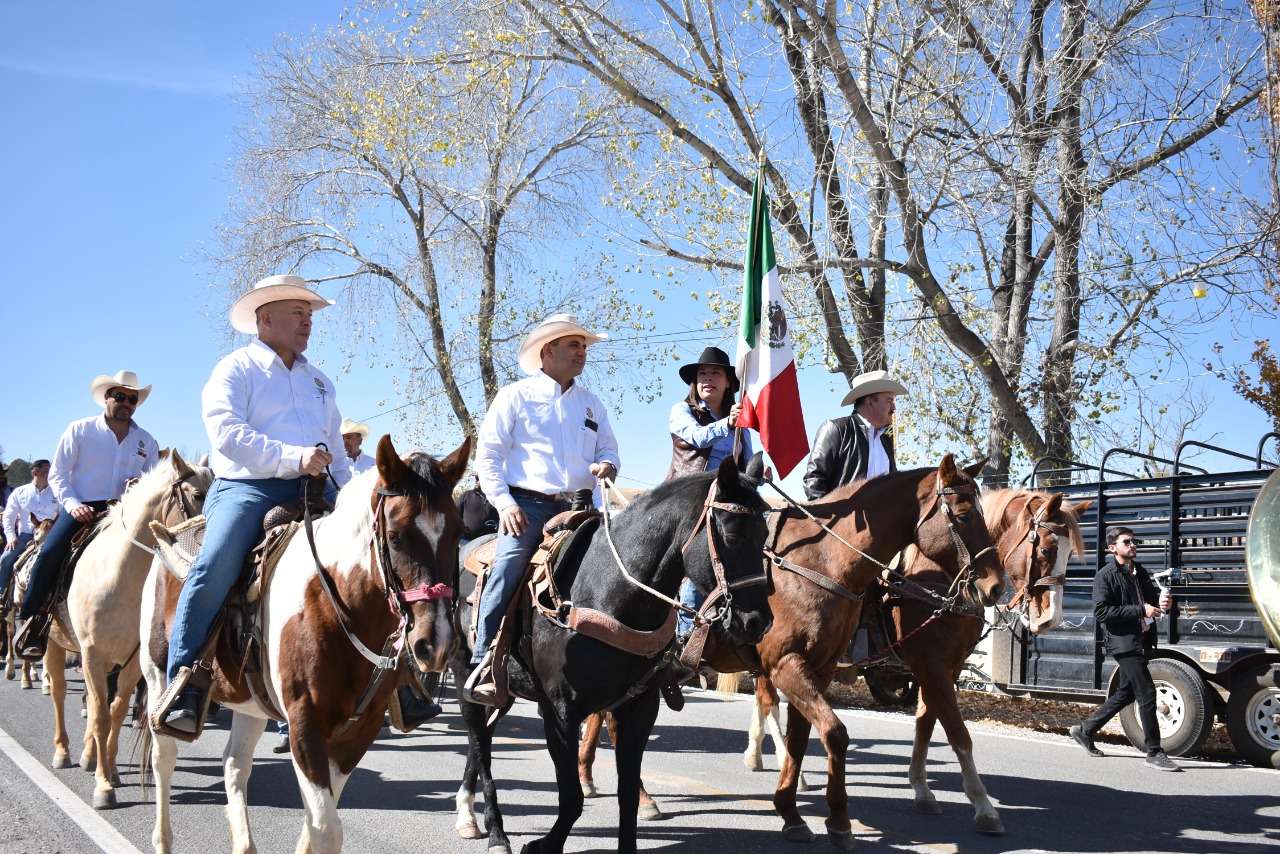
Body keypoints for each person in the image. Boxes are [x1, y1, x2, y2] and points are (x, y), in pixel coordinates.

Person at [158, 274, 352, 733]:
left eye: (309, 315)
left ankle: (397, 679)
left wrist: (351, 495)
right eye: (298, 313)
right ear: (265, 319)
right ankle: (184, 680)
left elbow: (337, 453)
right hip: (248, 487)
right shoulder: (235, 369)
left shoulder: (320, 382)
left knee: (375, 552)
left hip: (315, 488)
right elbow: (228, 434)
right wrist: (292, 457)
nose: (307, 322)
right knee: (215, 564)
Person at [465, 314, 620, 705]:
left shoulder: (591, 404)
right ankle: (484, 660)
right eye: (574, 345)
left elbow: (609, 449)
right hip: (528, 507)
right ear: (548, 351)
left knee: (621, 565)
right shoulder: (515, 396)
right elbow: (488, 456)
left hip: (583, 507)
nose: (582, 352)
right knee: (508, 566)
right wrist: (504, 504)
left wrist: (607, 464)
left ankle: (635, 661)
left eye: (584, 346)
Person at [15, 371, 160, 657]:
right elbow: (58, 474)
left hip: (124, 512)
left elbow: (153, 481)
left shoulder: (146, 441)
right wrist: (73, 505)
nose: (126, 403)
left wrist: (140, 484)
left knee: (163, 559)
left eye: (132, 399)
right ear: (106, 398)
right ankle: (33, 623)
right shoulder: (79, 430)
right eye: (120, 396)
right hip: (83, 508)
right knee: (49, 553)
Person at [1069, 526, 1181, 771]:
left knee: (1127, 693)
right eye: (1127, 542)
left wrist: (1164, 603)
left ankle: (1085, 730)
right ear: (1112, 548)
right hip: (1124, 643)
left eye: (1134, 541)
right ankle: (1154, 752)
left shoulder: (1140, 572)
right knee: (1147, 693)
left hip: (1142, 640)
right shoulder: (1105, 575)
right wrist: (1141, 610)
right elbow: (1101, 612)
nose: (1133, 545)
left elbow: (1151, 603)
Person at [666, 346, 752, 638]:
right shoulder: (681, 411)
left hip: (724, 506)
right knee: (700, 560)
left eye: (715, 373)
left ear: (728, 383)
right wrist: (727, 423)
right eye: (702, 373)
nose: (707, 379)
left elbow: (744, 465)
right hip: (688, 503)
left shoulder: (740, 425)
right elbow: (697, 437)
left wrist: (758, 474)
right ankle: (687, 636)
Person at [802, 370, 906, 500]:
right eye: (889, 401)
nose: (894, 408)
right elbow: (814, 480)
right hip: (841, 514)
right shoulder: (836, 429)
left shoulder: (886, 440)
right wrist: (828, 513)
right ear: (870, 402)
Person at [0, 459, 57, 599]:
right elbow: (8, 516)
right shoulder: (20, 492)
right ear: (35, 472)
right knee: (5, 558)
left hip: (51, 536)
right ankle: (1, 594)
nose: (49, 475)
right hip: (26, 535)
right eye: (46, 472)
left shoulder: (57, 492)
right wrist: (11, 537)